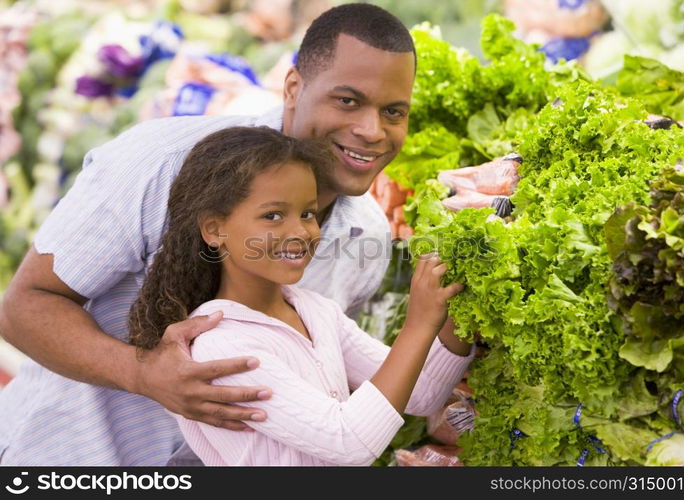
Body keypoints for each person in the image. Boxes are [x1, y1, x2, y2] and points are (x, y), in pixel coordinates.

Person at [0, 3, 431, 465]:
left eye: (393, 111)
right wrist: (142, 373)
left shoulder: (367, 233)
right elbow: (24, 308)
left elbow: (326, 386)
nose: (371, 131)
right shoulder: (158, 162)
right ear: (293, 88)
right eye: (347, 100)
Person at [129, 125, 471, 466]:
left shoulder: (315, 310)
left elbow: (423, 394)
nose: (300, 231)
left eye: (307, 213)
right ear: (214, 229)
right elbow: (348, 442)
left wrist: (454, 311)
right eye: (273, 216)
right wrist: (417, 325)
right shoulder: (219, 346)